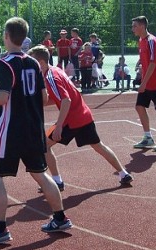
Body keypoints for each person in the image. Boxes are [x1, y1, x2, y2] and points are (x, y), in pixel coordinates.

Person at [0, 17, 73, 246]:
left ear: (7, 36)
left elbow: (2, 97)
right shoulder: (34, 64)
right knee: (40, 173)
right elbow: (44, 97)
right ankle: (59, 217)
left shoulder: (4, 63)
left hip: (10, 130)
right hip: (33, 128)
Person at [29, 45, 133, 188]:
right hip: (84, 115)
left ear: (40, 63)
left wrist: (59, 125)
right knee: (99, 146)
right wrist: (38, 104)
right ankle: (123, 173)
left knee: (44, 146)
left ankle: (57, 181)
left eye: (32, 62)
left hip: (71, 121)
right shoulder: (56, 70)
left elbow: (66, 100)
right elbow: (58, 98)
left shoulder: (50, 78)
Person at [131, 16, 156, 152]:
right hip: (146, 82)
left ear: (142, 26)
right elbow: (146, 60)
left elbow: (154, 64)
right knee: (139, 107)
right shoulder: (141, 41)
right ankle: (148, 137)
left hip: (154, 82)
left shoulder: (152, 41)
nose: (133, 29)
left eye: (135, 26)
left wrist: (144, 82)